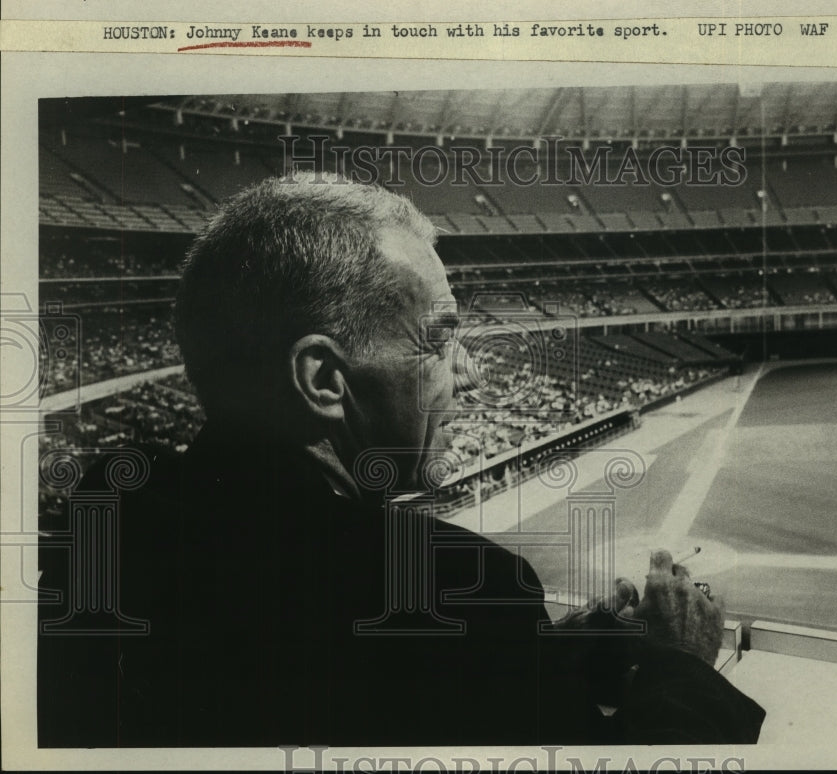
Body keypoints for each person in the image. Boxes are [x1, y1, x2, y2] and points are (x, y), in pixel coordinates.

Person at [37, 177, 764, 747]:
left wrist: (536, 655)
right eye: (438, 340)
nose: (471, 374)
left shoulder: (115, 522)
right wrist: (680, 666)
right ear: (324, 380)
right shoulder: (456, 591)